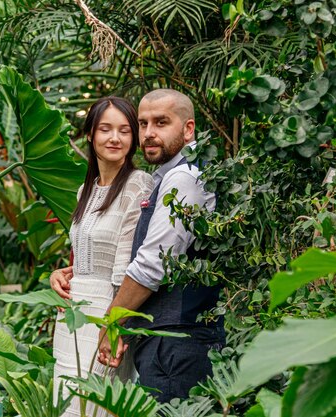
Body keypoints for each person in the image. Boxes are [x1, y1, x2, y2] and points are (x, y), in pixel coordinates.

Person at [96, 89, 225, 403]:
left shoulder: (185, 177)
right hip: (166, 340)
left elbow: (154, 263)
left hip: (180, 342)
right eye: (143, 124)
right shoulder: (166, 176)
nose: (149, 133)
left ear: (188, 129)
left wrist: (112, 322)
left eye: (161, 122)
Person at [49, 96, 154, 417]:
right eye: (105, 129)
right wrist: (66, 272)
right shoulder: (86, 191)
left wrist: (114, 326)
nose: (114, 138)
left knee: (96, 407)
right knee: (65, 403)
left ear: (133, 138)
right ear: (91, 135)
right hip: (72, 315)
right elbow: (92, 253)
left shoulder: (139, 185)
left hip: (105, 314)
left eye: (124, 131)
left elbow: (127, 265)